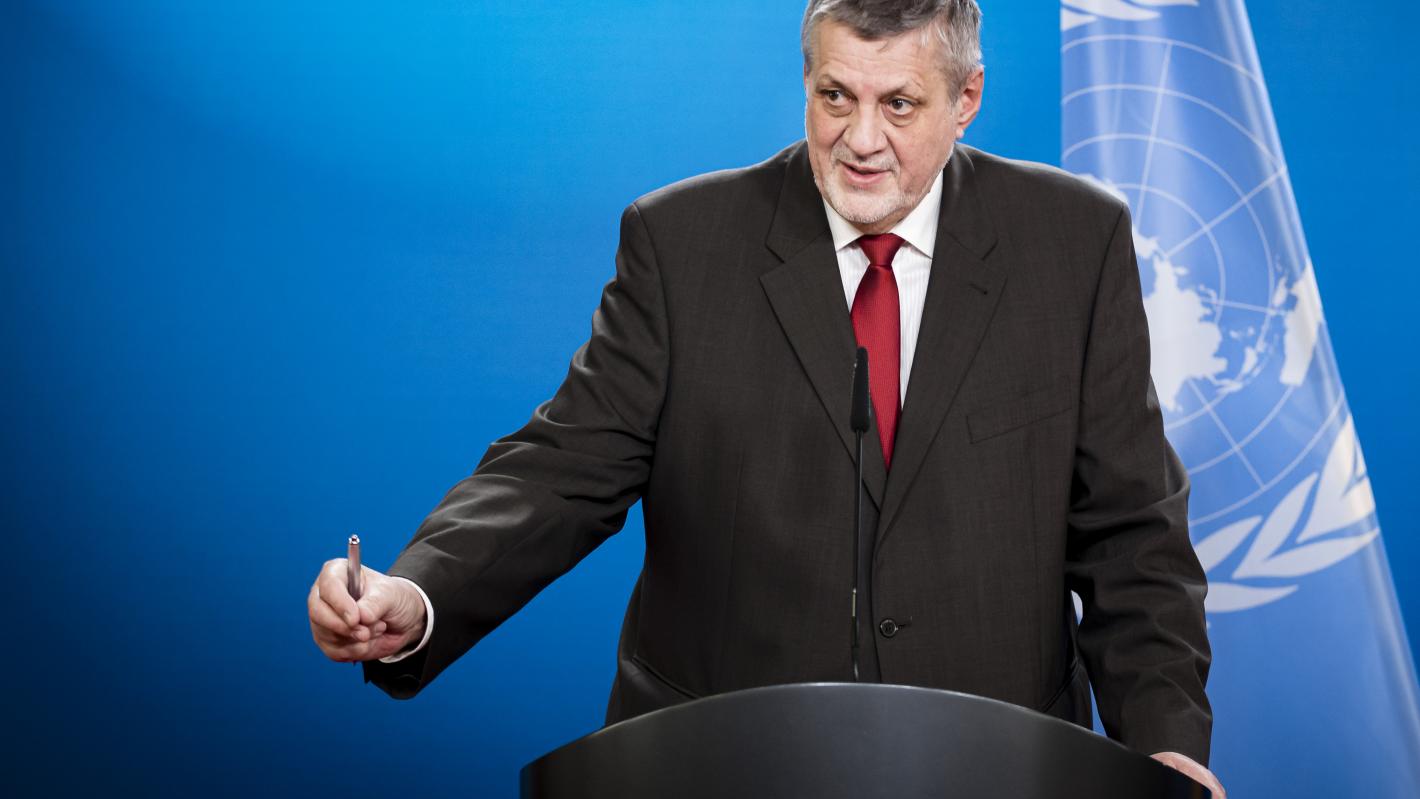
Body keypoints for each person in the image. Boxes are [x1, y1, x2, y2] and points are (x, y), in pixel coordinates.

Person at [307, 1, 1224, 794]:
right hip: (720, 765)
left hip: (999, 767)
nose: (861, 140)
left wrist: (1165, 746)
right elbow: (561, 469)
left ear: (967, 98)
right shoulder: (682, 243)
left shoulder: (1073, 243)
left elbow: (1130, 532)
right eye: (836, 96)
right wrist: (419, 590)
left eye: (899, 104)